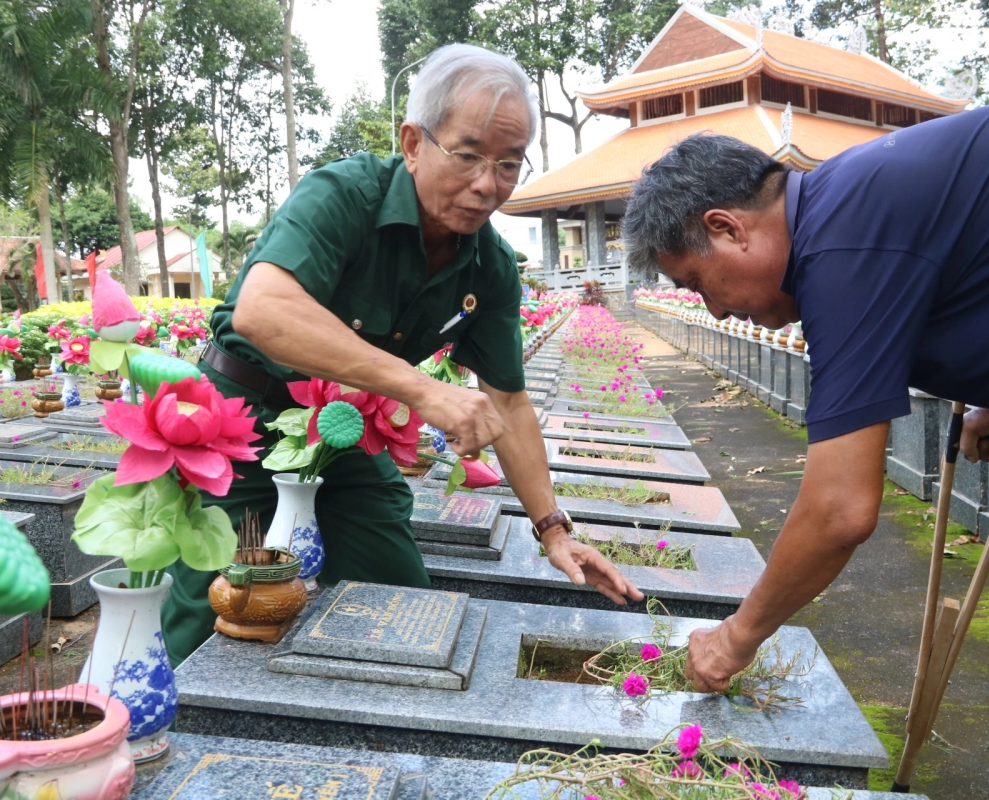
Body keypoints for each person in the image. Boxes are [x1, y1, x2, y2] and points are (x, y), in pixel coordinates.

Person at [622, 106, 989, 798]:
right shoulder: (851, 207)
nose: (710, 310)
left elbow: (840, 510)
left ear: (727, 227)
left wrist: (737, 638)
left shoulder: (843, 244)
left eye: (695, 283)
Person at [164, 44, 642, 667]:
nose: (485, 184)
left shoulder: (489, 267)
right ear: (414, 142)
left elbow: (510, 402)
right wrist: (425, 391)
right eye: (468, 155)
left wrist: (553, 529)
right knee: (218, 607)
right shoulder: (342, 196)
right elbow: (265, 310)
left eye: (507, 164)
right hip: (238, 423)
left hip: (341, 439)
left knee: (399, 603)